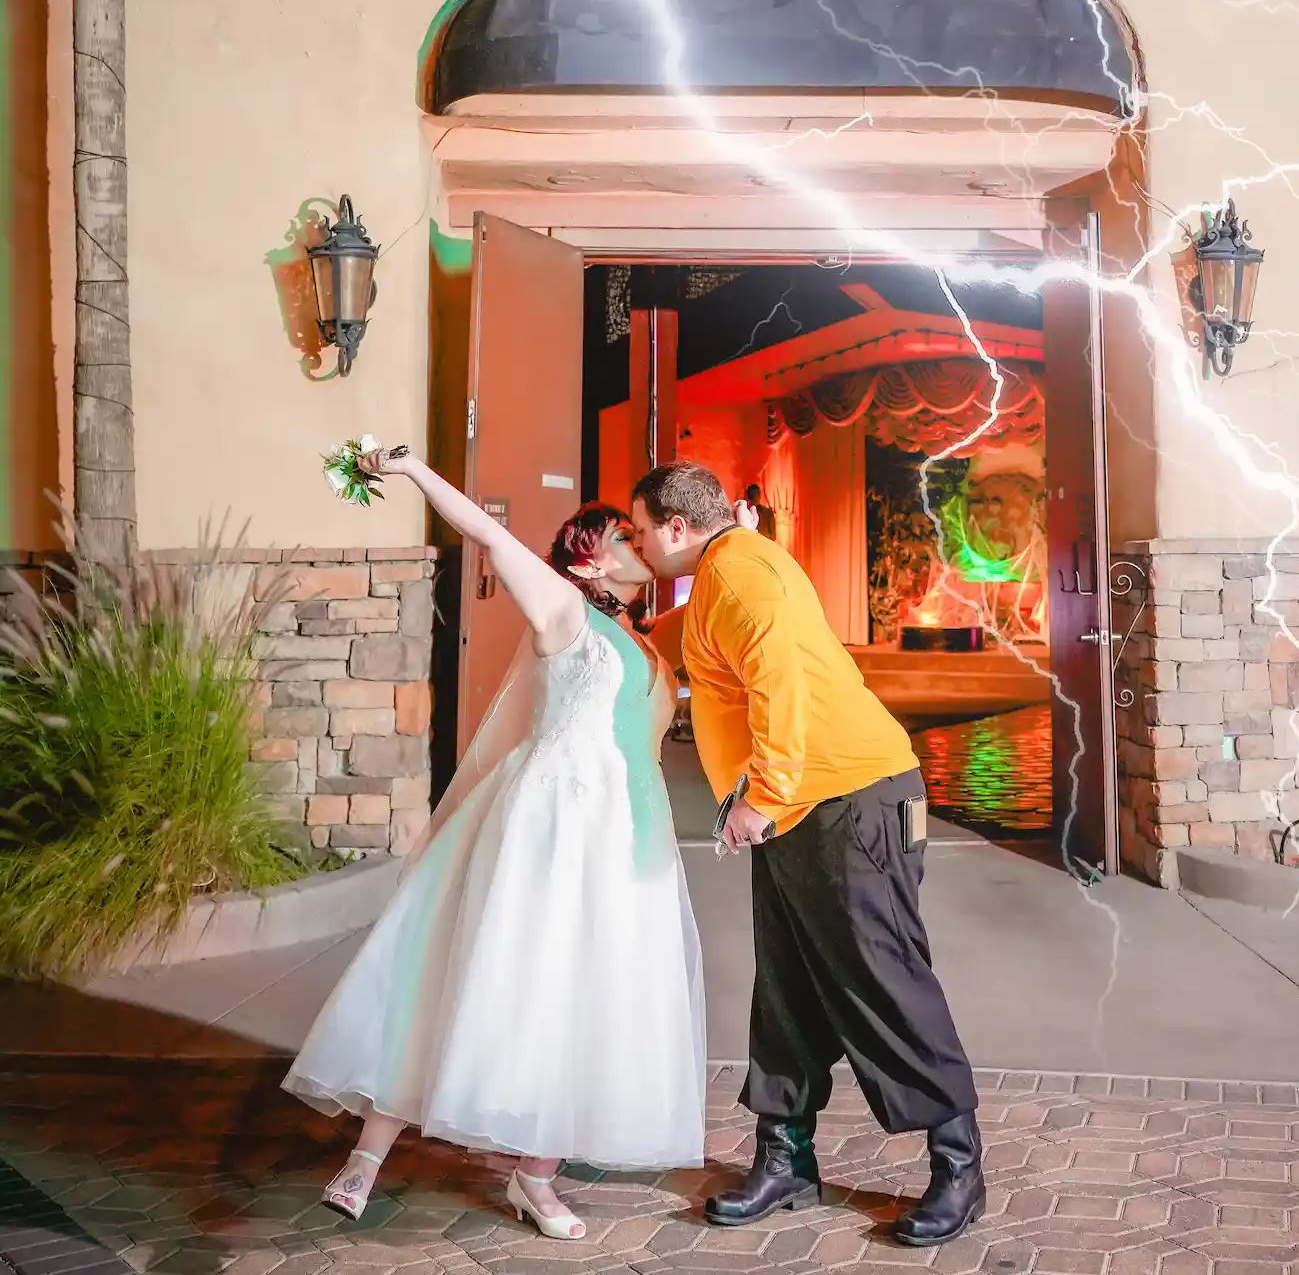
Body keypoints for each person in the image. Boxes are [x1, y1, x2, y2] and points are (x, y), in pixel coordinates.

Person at [283, 445, 706, 1237]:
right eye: (623, 535)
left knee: (588, 996)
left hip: (619, 839)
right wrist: (412, 470)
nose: (637, 545)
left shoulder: (649, 640)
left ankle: (536, 1176)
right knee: (465, 971)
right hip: (548, 824)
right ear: (587, 561)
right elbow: (483, 530)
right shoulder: (563, 609)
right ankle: (369, 1153)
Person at [630, 461, 984, 1248]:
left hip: (849, 798)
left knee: (882, 978)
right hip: (805, 804)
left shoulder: (743, 576)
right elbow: (671, 644)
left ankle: (959, 1166)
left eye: (640, 529)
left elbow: (781, 682)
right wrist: (599, 618)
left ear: (677, 528)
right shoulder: (721, 574)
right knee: (786, 984)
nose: (638, 542)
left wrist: (767, 796)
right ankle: (785, 1157)